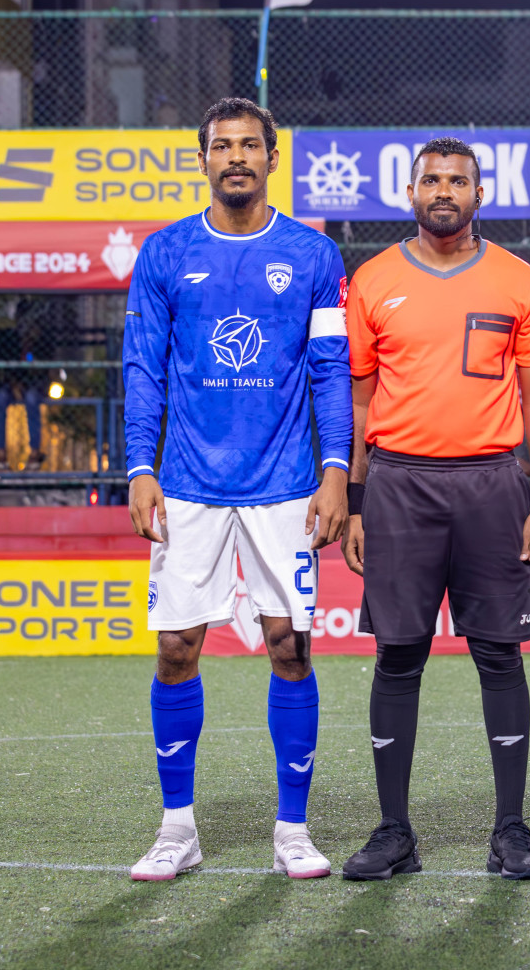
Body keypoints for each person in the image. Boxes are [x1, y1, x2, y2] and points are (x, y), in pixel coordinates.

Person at [122, 98, 352, 881]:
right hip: (186, 488)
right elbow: (143, 370)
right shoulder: (163, 255)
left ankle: (293, 830)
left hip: (286, 488)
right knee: (178, 647)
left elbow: (328, 373)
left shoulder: (314, 255)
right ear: (203, 160)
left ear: (272, 158)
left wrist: (336, 473)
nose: (237, 158)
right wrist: (139, 468)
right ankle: (176, 829)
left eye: (251, 145)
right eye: (223, 146)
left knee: (290, 648)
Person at [340, 138, 530, 881]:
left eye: (458, 180)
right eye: (432, 179)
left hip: (491, 485)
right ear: (410, 192)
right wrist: (357, 501)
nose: (444, 190)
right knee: (398, 655)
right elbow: (361, 398)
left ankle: (511, 832)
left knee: (499, 653)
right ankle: (394, 832)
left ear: (479, 193)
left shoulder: (517, 279)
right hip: (400, 485)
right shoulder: (372, 280)